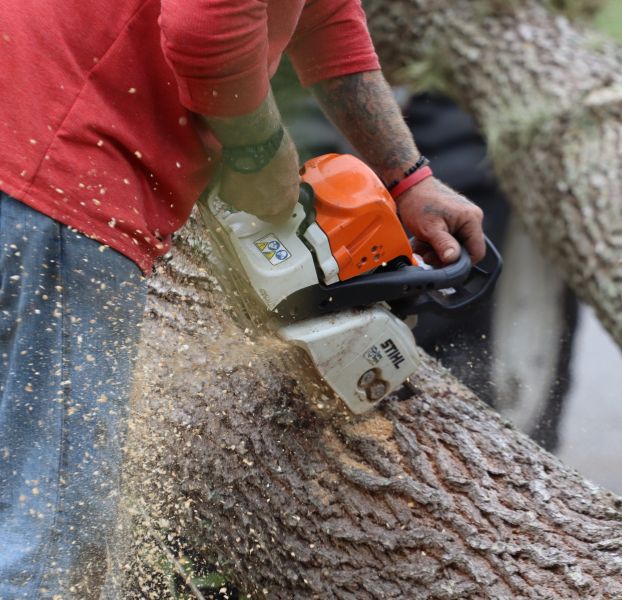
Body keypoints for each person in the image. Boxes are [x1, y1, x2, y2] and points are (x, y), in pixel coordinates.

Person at [0, 0, 486, 596]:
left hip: (26, 140)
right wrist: (259, 148)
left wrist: (408, 176)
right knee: (50, 537)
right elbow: (205, 24)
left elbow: (327, 19)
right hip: (59, 178)